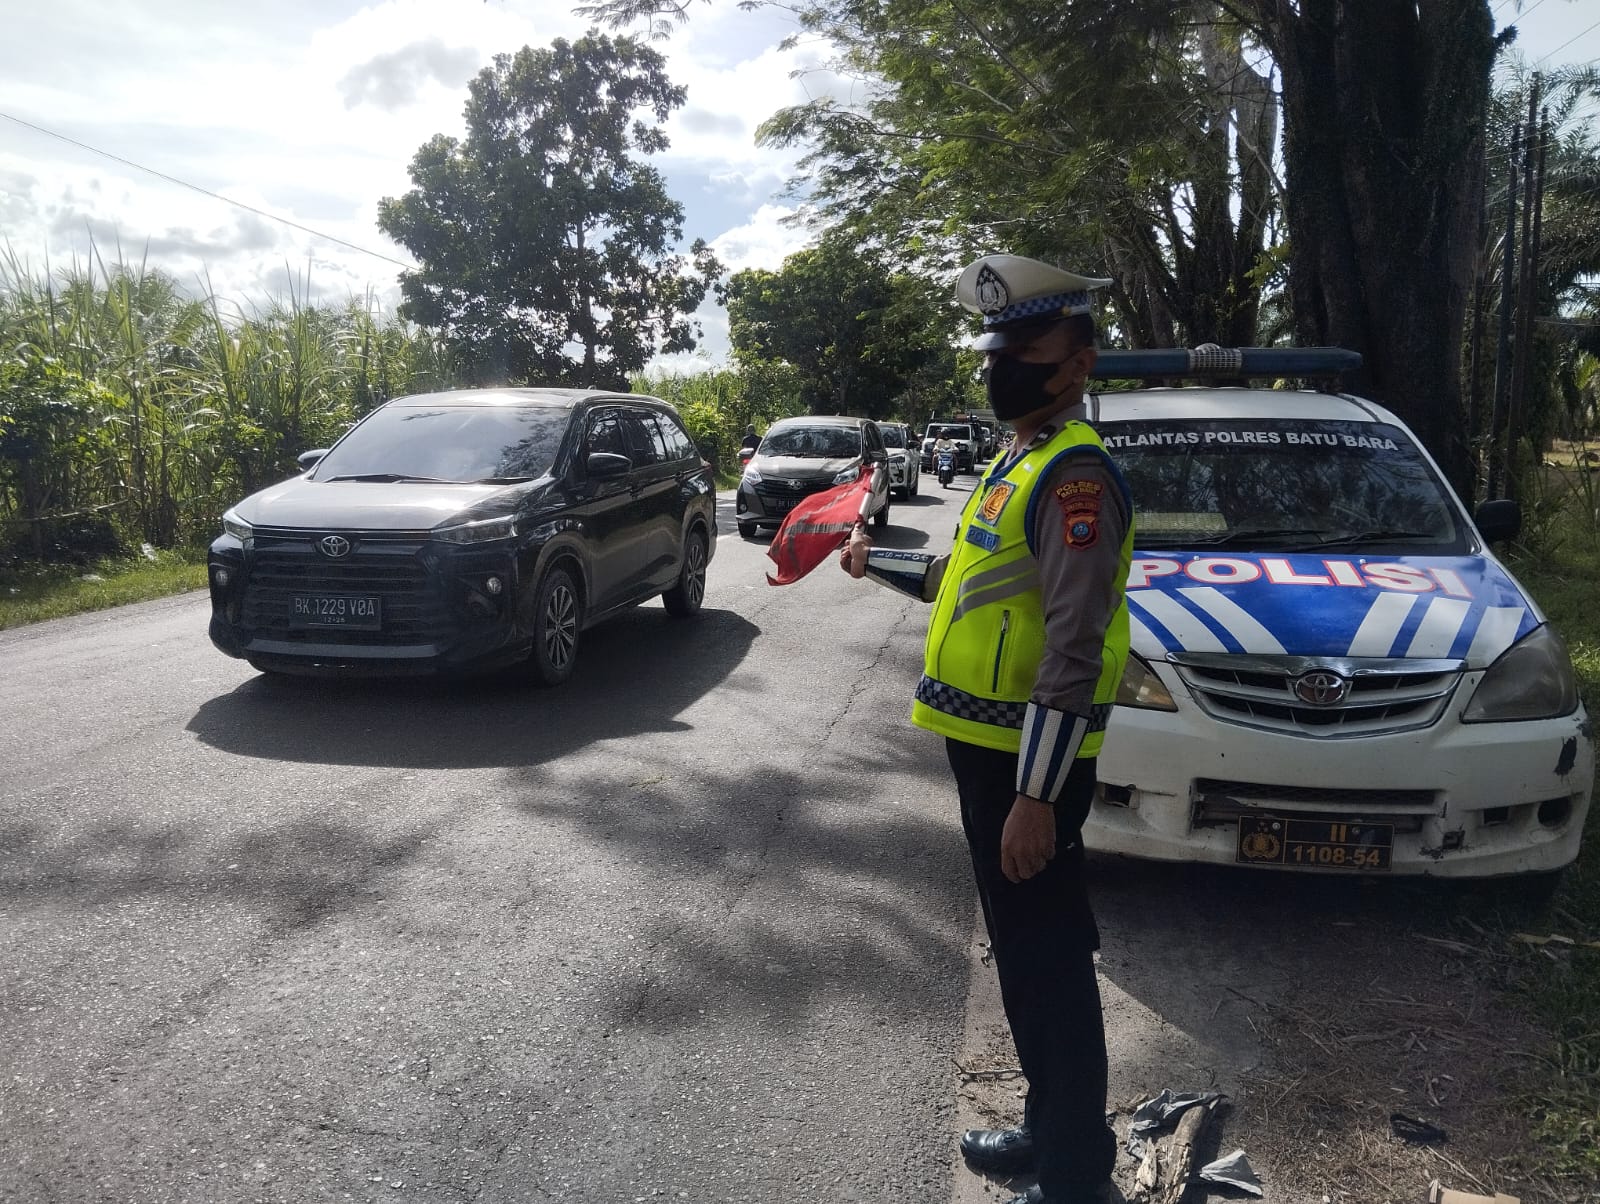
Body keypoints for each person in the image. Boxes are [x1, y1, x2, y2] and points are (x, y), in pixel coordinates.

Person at [841, 253, 1134, 1204]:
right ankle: (1050, 1133)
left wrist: (1037, 797)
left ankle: (1078, 1176)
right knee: (1022, 957)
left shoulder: (1075, 476)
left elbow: (1074, 646)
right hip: (989, 751)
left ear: (1078, 364)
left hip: (1029, 761)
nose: (1001, 367)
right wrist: (873, 560)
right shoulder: (1021, 458)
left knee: (1050, 963)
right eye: (996, 350)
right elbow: (963, 583)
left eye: (1025, 351)